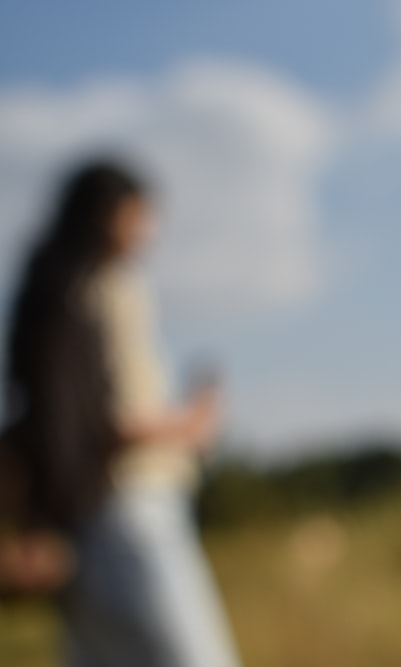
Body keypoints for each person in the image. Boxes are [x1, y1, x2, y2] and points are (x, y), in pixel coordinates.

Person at [1, 159, 242, 667]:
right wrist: (191, 423)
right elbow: (110, 421)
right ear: (107, 215)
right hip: (129, 515)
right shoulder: (99, 287)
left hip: (82, 524)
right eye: (138, 216)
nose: (146, 231)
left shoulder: (51, 292)